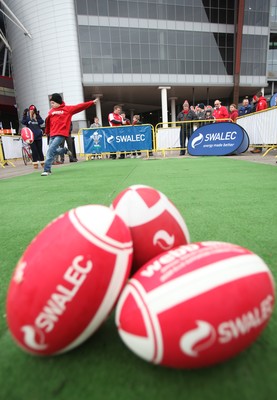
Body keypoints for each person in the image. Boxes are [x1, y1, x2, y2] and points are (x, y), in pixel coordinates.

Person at [41, 93, 98, 176]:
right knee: (52, 151)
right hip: (52, 134)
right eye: (51, 103)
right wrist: (47, 132)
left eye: (53, 103)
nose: (51, 104)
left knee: (50, 150)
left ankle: (47, 170)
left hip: (61, 134)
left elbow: (79, 106)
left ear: (58, 102)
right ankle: (64, 150)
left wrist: (91, 102)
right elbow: (48, 122)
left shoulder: (67, 109)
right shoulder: (51, 111)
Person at [21, 105, 45, 169]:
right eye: (31, 110)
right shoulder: (28, 118)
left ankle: (42, 162)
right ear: (29, 110)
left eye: (33, 110)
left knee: (40, 150)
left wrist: (38, 115)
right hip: (31, 137)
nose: (32, 111)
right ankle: (35, 163)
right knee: (34, 151)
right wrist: (24, 115)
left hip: (39, 136)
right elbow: (23, 122)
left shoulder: (36, 117)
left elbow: (42, 122)